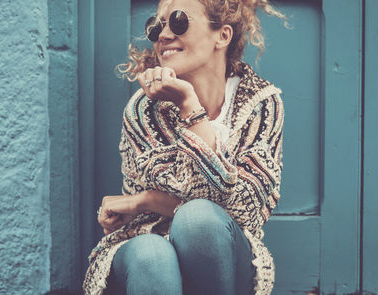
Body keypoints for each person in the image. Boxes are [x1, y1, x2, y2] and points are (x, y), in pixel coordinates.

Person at [83, 0, 289, 294]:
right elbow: (213, 199)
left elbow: (244, 211)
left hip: (225, 256)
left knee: (198, 220)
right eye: (156, 25)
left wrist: (144, 200)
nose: (163, 35)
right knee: (152, 255)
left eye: (178, 21)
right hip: (146, 243)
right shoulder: (144, 111)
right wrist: (152, 203)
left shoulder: (262, 104)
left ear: (223, 35)